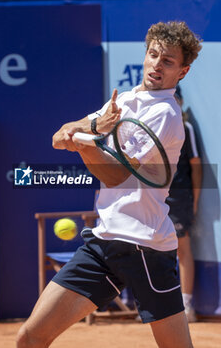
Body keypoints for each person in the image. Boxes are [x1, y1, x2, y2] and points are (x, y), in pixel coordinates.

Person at [16, 21, 202, 348]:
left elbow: (115, 174)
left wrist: (85, 139)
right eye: (153, 54)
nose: (157, 64)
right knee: (30, 337)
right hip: (104, 242)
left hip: (144, 247)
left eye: (168, 61)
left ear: (182, 71)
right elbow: (60, 137)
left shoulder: (166, 114)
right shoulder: (126, 100)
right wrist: (90, 129)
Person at [166, 86, 202, 323]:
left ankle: (186, 305)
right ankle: (158, 307)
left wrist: (195, 199)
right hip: (154, 199)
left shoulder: (186, 129)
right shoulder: (153, 127)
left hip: (179, 199)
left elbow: (196, 166)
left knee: (182, 248)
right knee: (149, 251)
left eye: (175, 98)